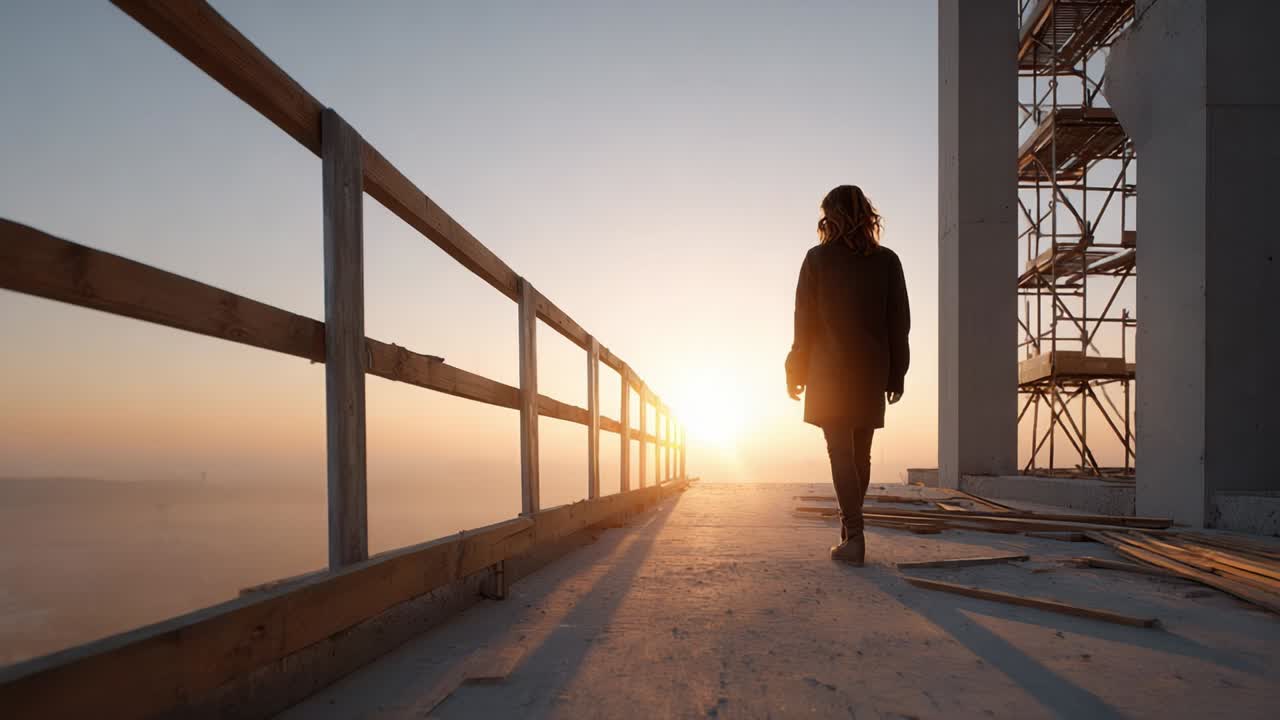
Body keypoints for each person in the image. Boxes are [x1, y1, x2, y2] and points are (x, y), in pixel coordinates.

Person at [785, 185, 910, 566]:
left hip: (828, 370)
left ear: (830, 216)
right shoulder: (887, 261)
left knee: (839, 451)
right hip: (871, 368)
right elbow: (898, 324)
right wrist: (897, 373)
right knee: (860, 454)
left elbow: (803, 322)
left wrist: (796, 368)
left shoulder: (817, 260)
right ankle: (850, 534)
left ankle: (854, 536)